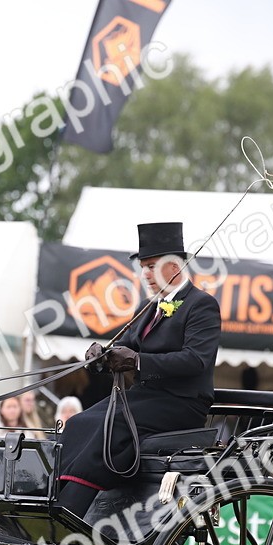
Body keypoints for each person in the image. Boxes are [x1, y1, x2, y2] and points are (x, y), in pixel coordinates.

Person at [56, 222, 222, 521]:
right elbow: (125, 349)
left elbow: (196, 360)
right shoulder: (148, 307)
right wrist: (101, 357)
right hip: (145, 398)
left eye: (151, 266)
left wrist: (138, 361)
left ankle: (72, 512)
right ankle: (57, 502)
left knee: (109, 425)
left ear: (174, 265)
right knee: (80, 422)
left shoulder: (201, 305)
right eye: (143, 267)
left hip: (181, 404)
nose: (145, 274)